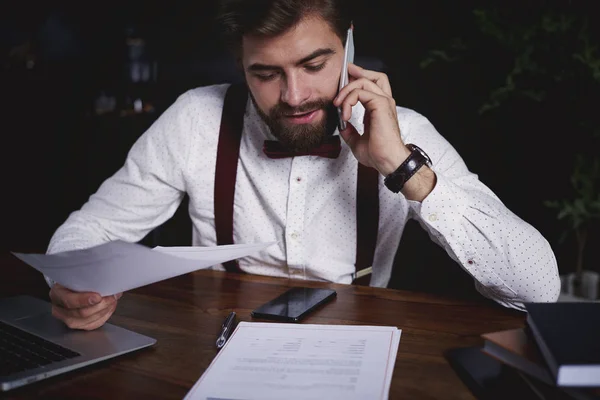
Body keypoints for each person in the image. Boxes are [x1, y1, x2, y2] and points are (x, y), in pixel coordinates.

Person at [45, 0, 560, 330]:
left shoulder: (407, 134)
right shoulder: (194, 120)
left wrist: (403, 168)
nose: (294, 96)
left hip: (355, 355)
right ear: (239, 62)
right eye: (265, 73)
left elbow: (537, 288)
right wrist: (72, 285)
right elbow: (87, 231)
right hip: (215, 344)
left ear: (349, 43)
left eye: (314, 65)